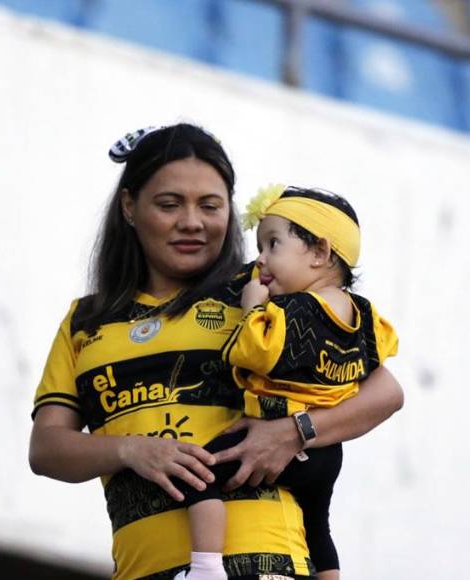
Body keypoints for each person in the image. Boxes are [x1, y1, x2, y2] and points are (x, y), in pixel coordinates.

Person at [29, 123, 404, 580]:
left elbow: (385, 392)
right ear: (129, 206)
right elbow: (47, 449)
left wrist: (294, 432)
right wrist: (129, 451)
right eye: (169, 205)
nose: (192, 222)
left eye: (211, 206)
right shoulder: (86, 321)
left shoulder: (261, 292)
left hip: (269, 562)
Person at [172, 185, 398, 580]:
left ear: (320, 252)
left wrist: (253, 308)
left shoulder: (291, 310)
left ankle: (205, 568)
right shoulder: (364, 317)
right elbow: (385, 351)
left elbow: (254, 351)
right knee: (317, 523)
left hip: (275, 431)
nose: (260, 259)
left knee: (198, 476)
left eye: (273, 244)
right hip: (327, 449)